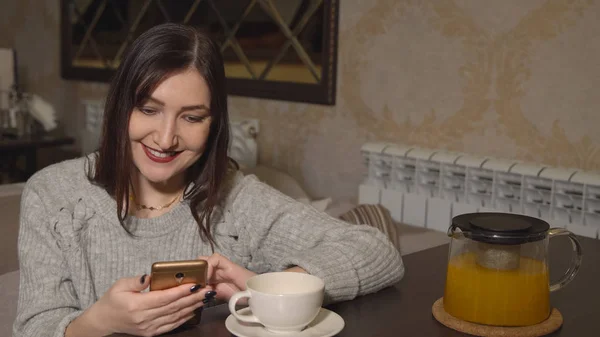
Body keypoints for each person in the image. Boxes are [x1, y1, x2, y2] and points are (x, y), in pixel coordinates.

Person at [13, 23, 404, 337]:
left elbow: (375, 250)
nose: (165, 139)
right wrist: (102, 323)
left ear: (214, 123)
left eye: (192, 117)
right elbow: (34, 326)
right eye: (149, 109)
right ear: (119, 109)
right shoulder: (54, 194)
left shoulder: (236, 199)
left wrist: (271, 287)